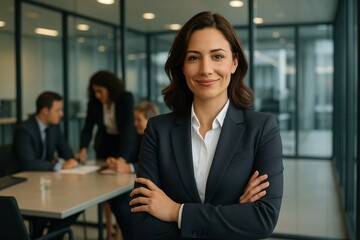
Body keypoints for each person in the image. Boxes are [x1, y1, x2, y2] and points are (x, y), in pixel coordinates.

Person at [129, 11, 284, 240]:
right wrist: (234, 213)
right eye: (193, 57)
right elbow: (143, 223)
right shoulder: (157, 130)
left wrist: (175, 211)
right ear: (182, 66)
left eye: (217, 56)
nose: (205, 69)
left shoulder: (262, 129)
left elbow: (263, 219)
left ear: (234, 62)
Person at [77, 70, 137, 240]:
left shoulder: (125, 98)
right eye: (94, 91)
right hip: (105, 146)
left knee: (119, 187)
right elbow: (88, 128)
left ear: (109, 88)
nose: (97, 95)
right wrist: (82, 147)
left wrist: (123, 158)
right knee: (104, 186)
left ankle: (121, 231)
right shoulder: (94, 104)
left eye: (100, 91)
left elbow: (127, 130)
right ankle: (110, 229)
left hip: (123, 145)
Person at [13, 91, 81, 239]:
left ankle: (49, 237)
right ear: (44, 111)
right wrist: (59, 166)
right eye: (58, 110)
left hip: (48, 185)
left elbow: (67, 152)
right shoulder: (24, 130)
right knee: (48, 214)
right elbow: (29, 164)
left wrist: (74, 160)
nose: (62, 114)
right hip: (27, 187)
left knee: (75, 207)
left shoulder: (54, 127)